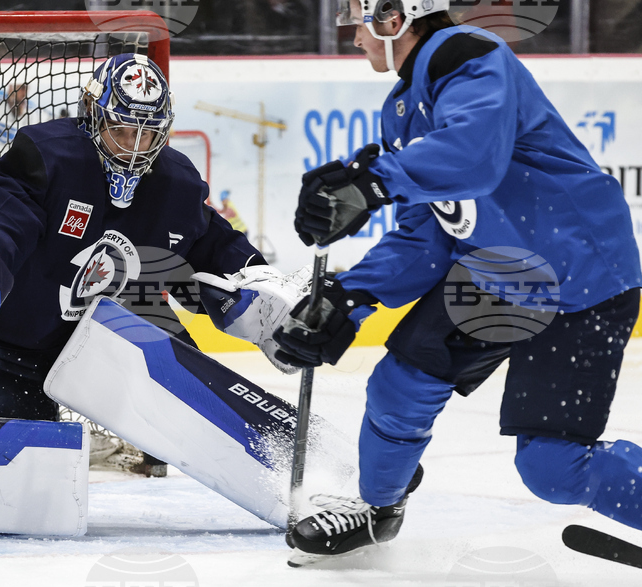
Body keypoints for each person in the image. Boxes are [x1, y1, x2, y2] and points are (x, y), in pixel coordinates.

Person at [274, 0, 642, 558]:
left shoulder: (468, 55)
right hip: (502, 274)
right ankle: (378, 511)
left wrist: (373, 182)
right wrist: (353, 294)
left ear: (393, 18)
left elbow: (474, 158)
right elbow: (428, 236)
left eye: (357, 23)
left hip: (581, 279)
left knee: (551, 470)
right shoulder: (401, 110)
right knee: (399, 384)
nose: (352, 38)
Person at [0, 54, 305, 474]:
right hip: (7, 344)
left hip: (104, 336)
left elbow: (210, 243)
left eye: (148, 134)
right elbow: (0, 215)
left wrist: (260, 288)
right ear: (93, 116)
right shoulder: (49, 157)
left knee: (187, 380)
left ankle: (206, 448)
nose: (134, 147)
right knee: (27, 465)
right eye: (122, 130)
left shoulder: (174, 182)